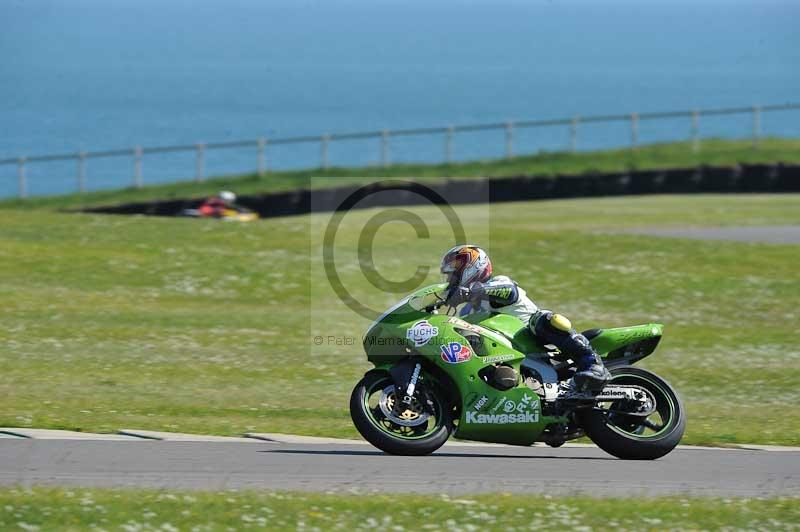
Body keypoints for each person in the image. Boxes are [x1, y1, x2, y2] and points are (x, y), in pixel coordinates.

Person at [439, 244, 611, 392]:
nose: (450, 280)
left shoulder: (497, 283)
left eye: (454, 274)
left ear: (473, 267)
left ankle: (592, 363)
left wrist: (473, 290)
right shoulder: (466, 312)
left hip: (538, 341)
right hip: (508, 355)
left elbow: (509, 291)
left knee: (544, 320)